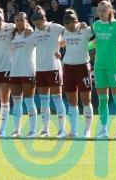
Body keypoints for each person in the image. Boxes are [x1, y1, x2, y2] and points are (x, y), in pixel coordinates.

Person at [30, 7, 67, 138]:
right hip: (40, 69)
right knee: (44, 101)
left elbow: (71, 31)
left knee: (57, 99)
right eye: (35, 25)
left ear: (44, 19)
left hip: (53, 68)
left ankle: (62, 130)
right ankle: (45, 130)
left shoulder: (56, 27)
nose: (38, 27)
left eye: (39, 24)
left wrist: (63, 44)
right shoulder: (35, 31)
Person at [91, 0, 116, 139]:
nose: (100, 13)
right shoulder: (95, 25)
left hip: (114, 66)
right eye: (99, 10)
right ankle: (104, 129)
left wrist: (113, 53)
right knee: (102, 99)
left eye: (103, 10)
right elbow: (95, 43)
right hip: (99, 66)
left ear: (110, 10)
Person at [0, 12, 36, 138]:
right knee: (16, 103)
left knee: (29, 102)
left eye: (21, 20)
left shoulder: (32, 34)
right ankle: (16, 130)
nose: (19, 22)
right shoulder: (12, 35)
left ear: (27, 21)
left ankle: (32, 131)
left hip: (28, 71)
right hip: (14, 72)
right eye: (17, 20)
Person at [60, 9, 93, 138]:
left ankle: (87, 131)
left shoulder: (86, 30)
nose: (70, 27)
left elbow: (97, 38)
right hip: (68, 68)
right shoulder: (64, 31)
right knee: (71, 102)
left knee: (86, 100)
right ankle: (73, 131)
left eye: (72, 24)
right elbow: (60, 43)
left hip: (82, 67)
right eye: (67, 25)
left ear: (77, 21)